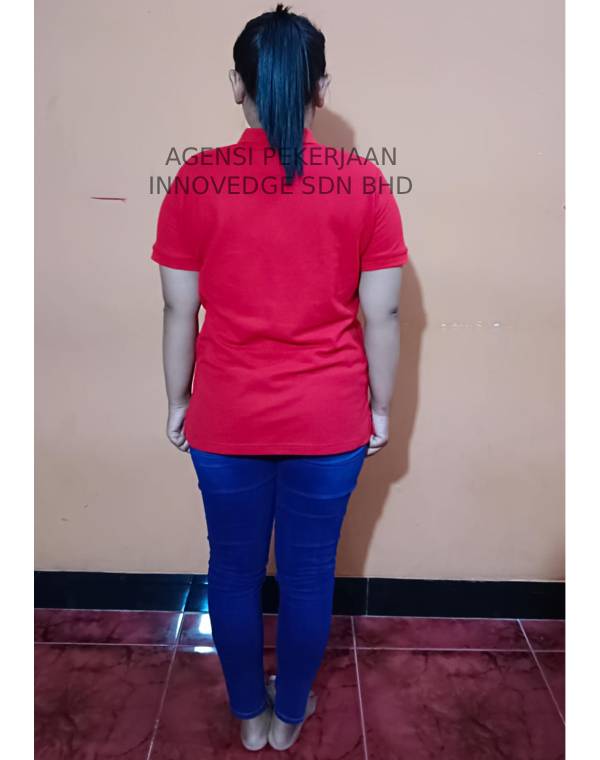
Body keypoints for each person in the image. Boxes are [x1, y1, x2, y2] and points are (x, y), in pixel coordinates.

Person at [151, 3, 408, 751]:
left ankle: (249, 715)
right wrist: (380, 408)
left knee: (231, 573)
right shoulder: (364, 184)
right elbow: (384, 315)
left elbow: (178, 310)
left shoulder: (196, 180)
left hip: (225, 416)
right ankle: (290, 715)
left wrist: (177, 400)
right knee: (308, 575)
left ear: (239, 85)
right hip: (328, 420)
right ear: (321, 88)